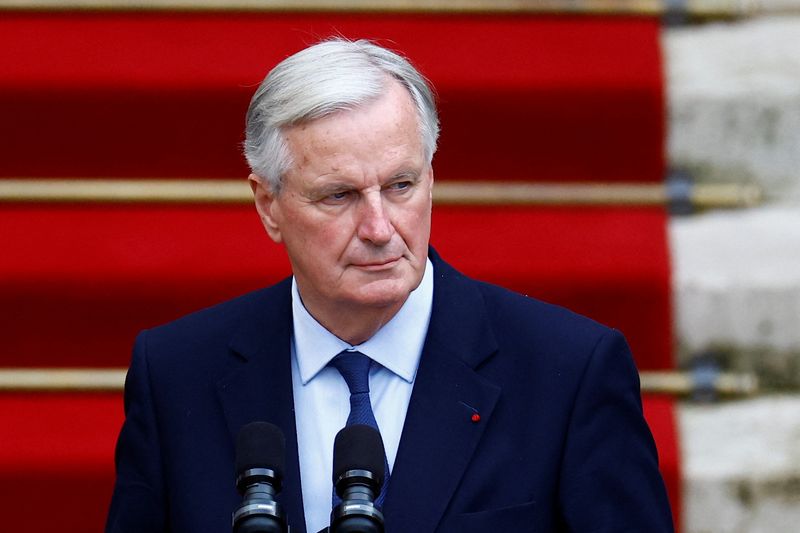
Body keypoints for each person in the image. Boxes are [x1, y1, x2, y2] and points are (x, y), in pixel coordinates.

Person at [106, 38, 673, 533]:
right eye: (339, 195)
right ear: (268, 205)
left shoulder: (569, 372)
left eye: (400, 186)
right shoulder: (176, 374)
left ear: (431, 178)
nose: (380, 229)